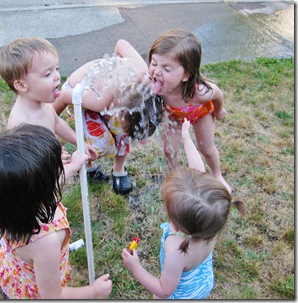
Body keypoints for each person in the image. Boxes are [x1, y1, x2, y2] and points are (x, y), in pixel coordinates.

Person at [0, 124, 112, 299]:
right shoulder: (45, 242)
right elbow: (53, 296)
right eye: (55, 169)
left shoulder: (11, 203)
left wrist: (76, 165)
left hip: (18, 270)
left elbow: (49, 184)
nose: (60, 170)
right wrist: (93, 291)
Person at [121, 119, 245, 299]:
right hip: (202, 282)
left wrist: (136, 267)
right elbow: (198, 170)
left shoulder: (176, 249)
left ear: (177, 226)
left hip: (181, 294)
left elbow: (164, 289)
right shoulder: (214, 216)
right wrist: (186, 138)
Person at [54, 39, 163, 194]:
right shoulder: (97, 100)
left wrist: (116, 64)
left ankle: (118, 168)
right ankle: (87, 165)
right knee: (101, 143)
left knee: (120, 132)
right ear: (116, 104)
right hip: (80, 101)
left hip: (104, 96)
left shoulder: (142, 73)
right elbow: (64, 96)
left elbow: (121, 44)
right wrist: (49, 122)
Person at [148, 29, 232, 193]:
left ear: (186, 74)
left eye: (166, 68)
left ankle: (217, 174)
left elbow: (217, 94)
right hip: (172, 114)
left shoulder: (199, 91)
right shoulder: (157, 86)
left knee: (206, 149)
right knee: (169, 149)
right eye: (154, 63)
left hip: (199, 112)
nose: (156, 72)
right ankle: (174, 178)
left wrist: (219, 110)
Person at [0, 37, 98, 166]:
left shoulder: (44, 102)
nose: (57, 76)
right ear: (22, 85)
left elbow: (56, 123)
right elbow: (29, 165)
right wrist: (53, 161)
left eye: (57, 68)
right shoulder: (21, 126)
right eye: (47, 74)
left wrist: (80, 143)